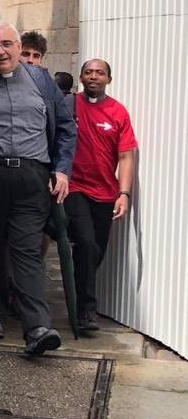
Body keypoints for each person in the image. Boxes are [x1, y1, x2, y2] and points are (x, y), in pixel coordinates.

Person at [0, 22, 76, 356]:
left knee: (27, 249)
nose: (1, 52)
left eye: (7, 44)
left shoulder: (41, 82)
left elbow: (65, 128)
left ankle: (36, 327)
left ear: (19, 48)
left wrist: (61, 170)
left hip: (32, 179)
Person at [65, 60, 137, 332]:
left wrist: (124, 193)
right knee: (85, 243)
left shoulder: (118, 112)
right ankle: (86, 308)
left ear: (109, 78)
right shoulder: (70, 106)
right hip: (75, 188)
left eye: (100, 73)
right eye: (88, 72)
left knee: (96, 250)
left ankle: (79, 292)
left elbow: (126, 155)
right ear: (81, 77)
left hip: (106, 192)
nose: (93, 77)